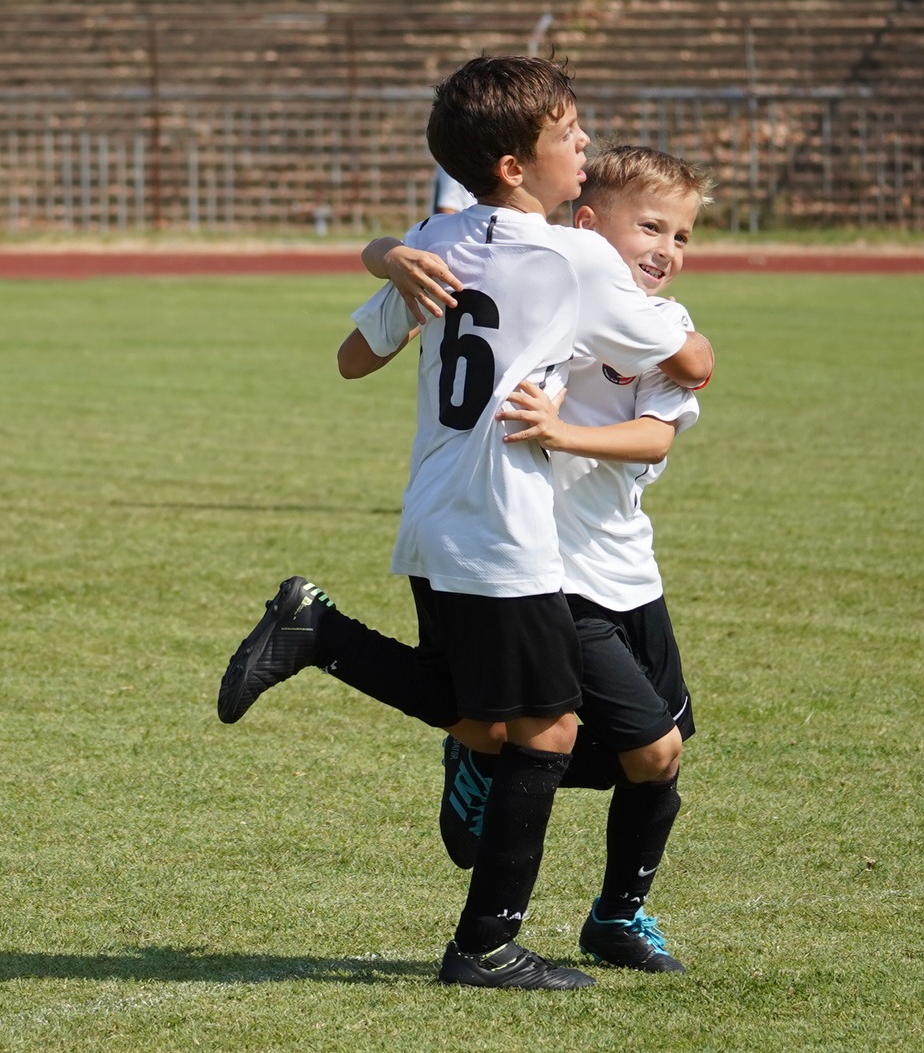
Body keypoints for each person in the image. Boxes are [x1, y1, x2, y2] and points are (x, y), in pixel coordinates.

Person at [219, 58, 708, 991]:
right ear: (518, 164)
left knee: (496, 726)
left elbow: (354, 357)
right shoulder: (575, 258)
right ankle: (484, 944)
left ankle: (319, 635)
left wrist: (388, 255)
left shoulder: (438, 239)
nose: (585, 149)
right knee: (547, 729)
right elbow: (688, 357)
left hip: (433, 511)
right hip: (505, 519)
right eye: (570, 136)